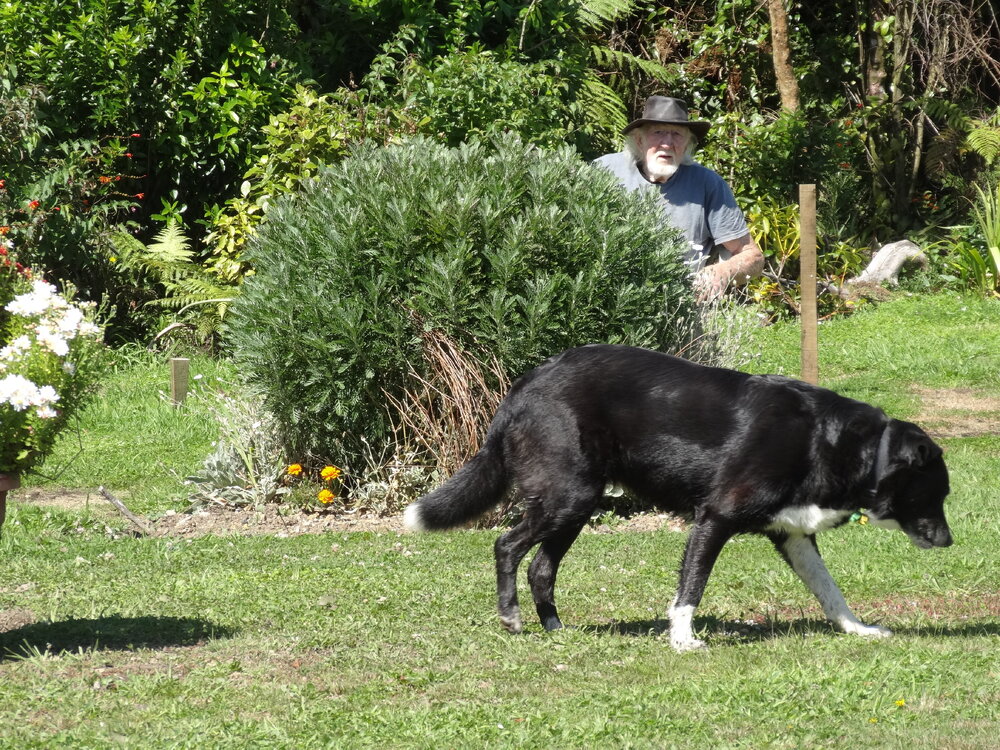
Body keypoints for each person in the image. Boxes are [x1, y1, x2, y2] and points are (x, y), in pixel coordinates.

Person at [593, 95, 764, 301]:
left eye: (677, 134)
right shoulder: (604, 170)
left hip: (678, 305)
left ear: (687, 144)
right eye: (658, 133)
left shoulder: (707, 184)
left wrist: (721, 272)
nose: (667, 143)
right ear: (639, 140)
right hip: (607, 302)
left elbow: (753, 257)